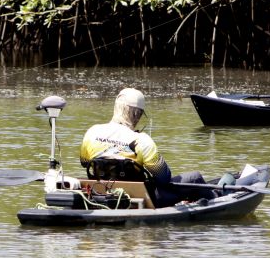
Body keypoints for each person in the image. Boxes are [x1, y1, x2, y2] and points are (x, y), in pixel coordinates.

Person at [79, 88, 216, 207]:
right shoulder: (142, 140)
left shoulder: (92, 132)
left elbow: (85, 162)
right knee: (194, 178)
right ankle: (218, 203)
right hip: (143, 198)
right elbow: (164, 177)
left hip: (101, 193)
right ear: (137, 114)